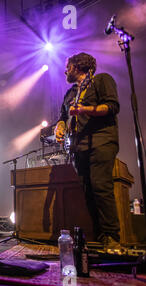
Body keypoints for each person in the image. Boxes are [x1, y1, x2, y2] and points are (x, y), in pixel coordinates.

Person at [55, 52, 121, 249]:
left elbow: (112, 107)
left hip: (101, 141)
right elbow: (62, 116)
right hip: (78, 146)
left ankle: (113, 236)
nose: (65, 70)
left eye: (68, 65)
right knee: (88, 191)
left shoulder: (102, 80)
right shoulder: (70, 94)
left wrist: (84, 110)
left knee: (101, 187)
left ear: (78, 66)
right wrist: (59, 126)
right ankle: (101, 237)